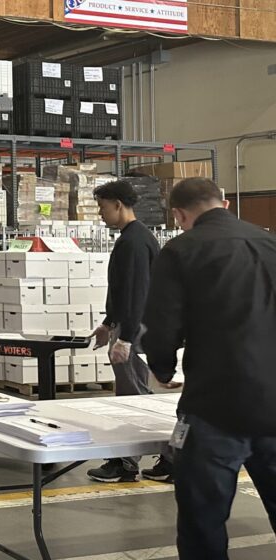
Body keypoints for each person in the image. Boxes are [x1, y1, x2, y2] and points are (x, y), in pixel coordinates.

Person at [142, 178, 276, 560]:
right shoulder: (273, 243)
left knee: (203, 519)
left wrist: (162, 368)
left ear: (179, 214)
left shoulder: (182, 249)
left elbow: (161, 323)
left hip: (217, 405)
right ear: (226, 203)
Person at [86, 180, 163, 484]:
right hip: (130, 325)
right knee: (134, 394)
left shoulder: (134, 242)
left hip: (137, 329)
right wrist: (108, 323)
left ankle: (127, 464)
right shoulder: (133, 238)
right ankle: (169, 459)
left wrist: (126, 338)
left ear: (118, 204)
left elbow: (136, 294)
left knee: (134, 397)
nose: (101, 214)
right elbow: (123, 291)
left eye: (102, 207)